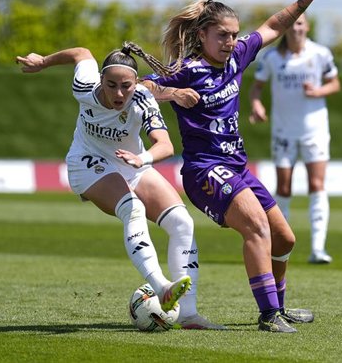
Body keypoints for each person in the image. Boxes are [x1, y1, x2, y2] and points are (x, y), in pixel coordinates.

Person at [139, 0, 327, 333]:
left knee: (285, 238)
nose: (230, 41)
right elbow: (143, 87)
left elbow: (273, 26)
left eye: (233, 34)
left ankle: (280, 307)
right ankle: (268, 314)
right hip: (204, 171)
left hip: (236, 168)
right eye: (222, 35)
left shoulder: (237, 56)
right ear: (202, 36)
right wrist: (173, 94)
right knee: (256, 227)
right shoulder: (187, 70)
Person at [16, 43, 223, 330]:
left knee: (182, 222)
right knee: (133, 208)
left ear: (137, 83)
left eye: (126, 86)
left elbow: (165, 145)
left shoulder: (142, 99)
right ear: (100, 80)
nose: (118, 93)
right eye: (111, 85)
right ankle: (161, 286)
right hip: (86, 163)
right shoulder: (84, 87)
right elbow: (82, 53)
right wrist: (44, 61)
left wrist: (142, 159)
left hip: (133, 163)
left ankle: (188, 315)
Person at [249, 13, 340, 264]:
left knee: (317, 185)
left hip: (315, 130)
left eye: (300, 24)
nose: (296, 28)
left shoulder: (320, 53)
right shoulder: (271, 57)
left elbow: (335, 84)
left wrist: (319, 91)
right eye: (292, 24)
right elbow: (256, 87)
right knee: (285, 188)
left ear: (307, 26)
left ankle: (318, 248)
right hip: (283, 131)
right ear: (286, 29)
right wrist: (256, 105)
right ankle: (282, 249)